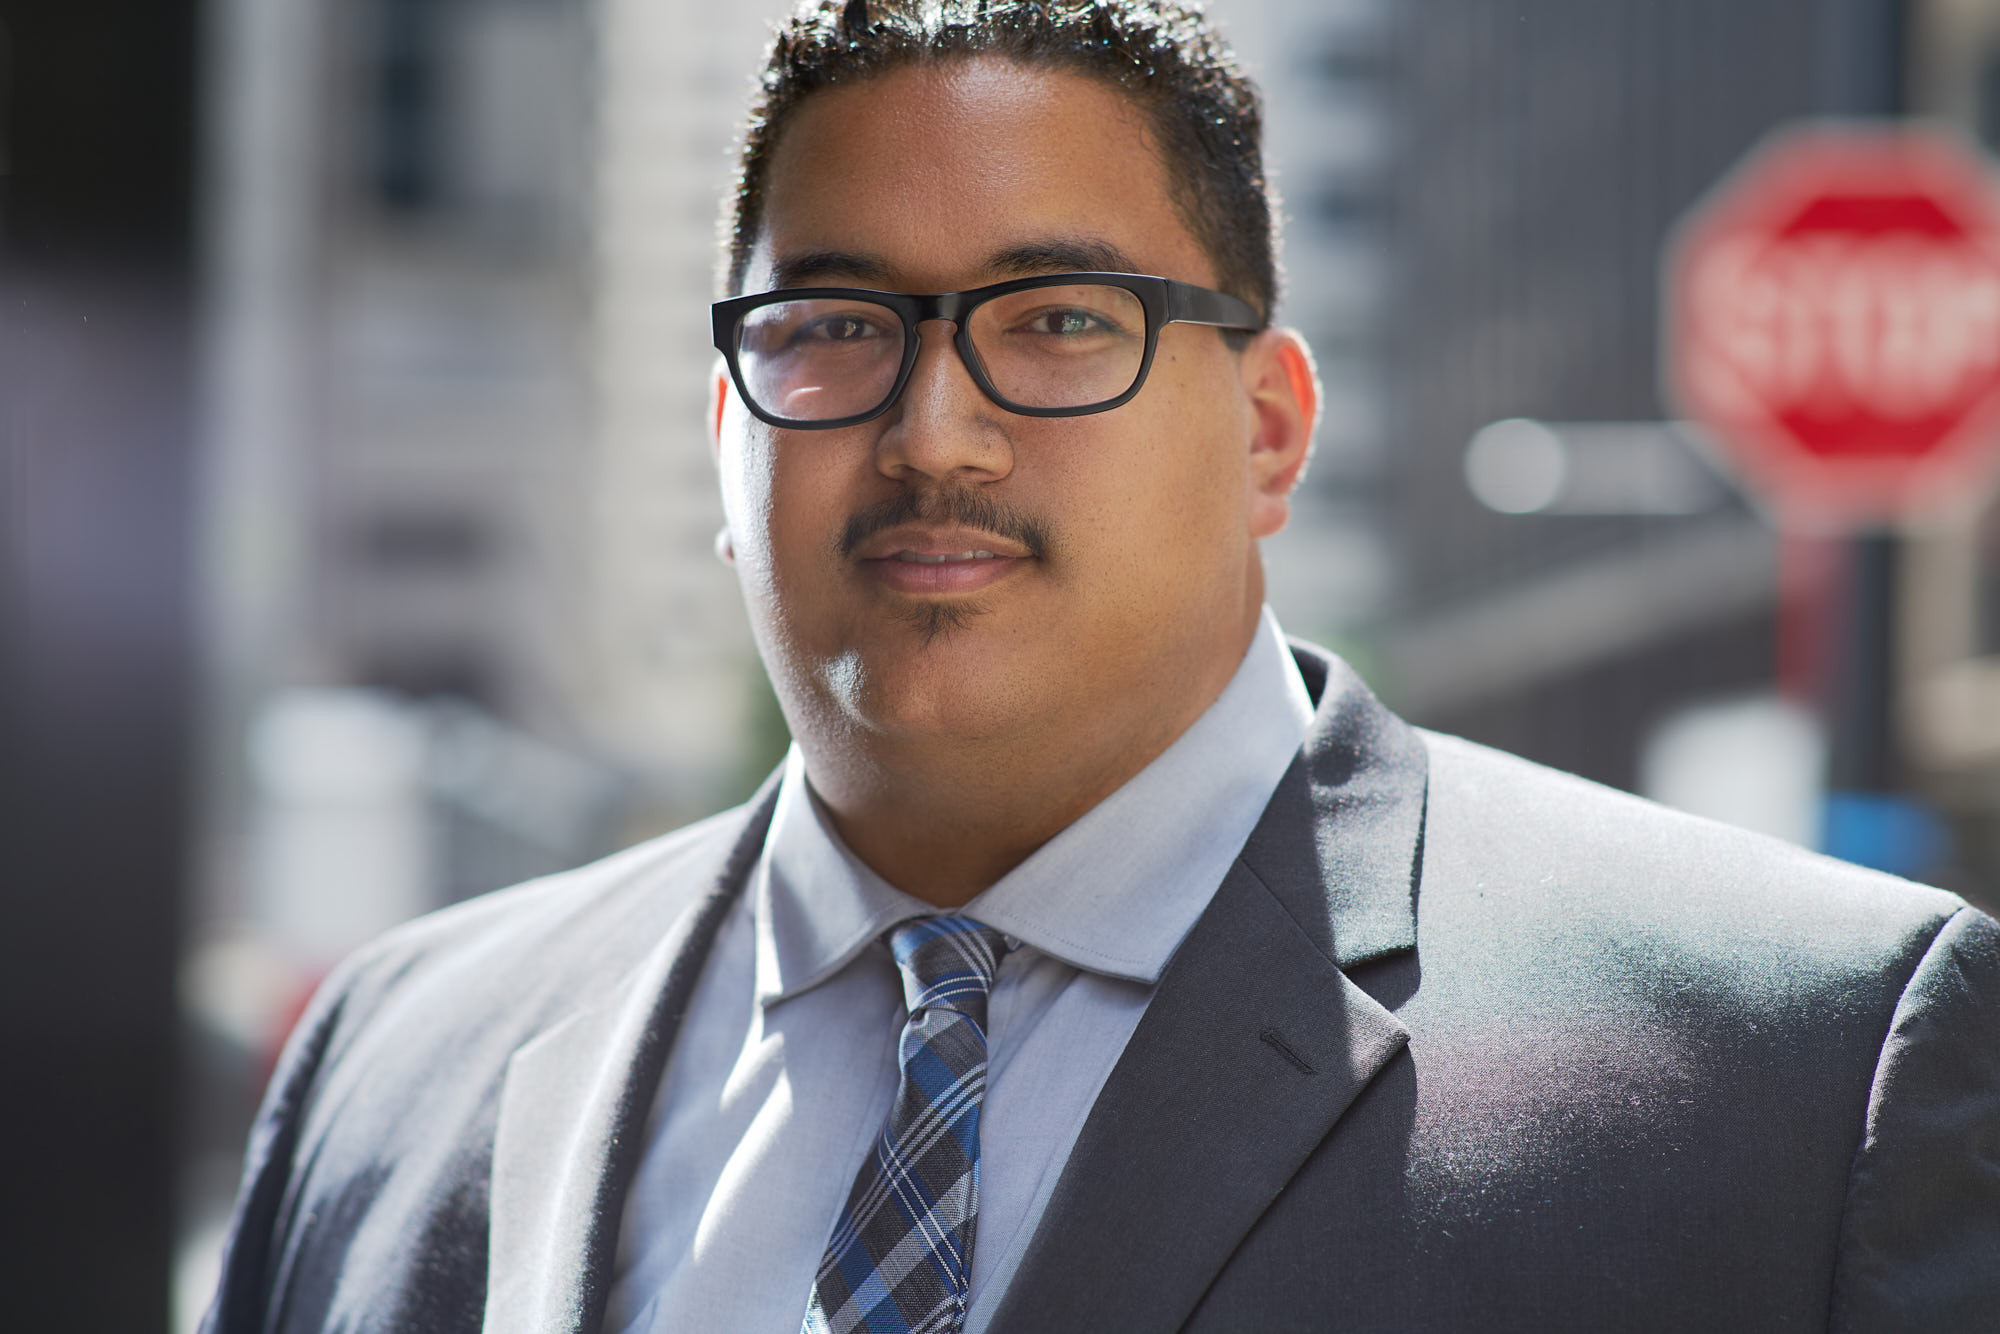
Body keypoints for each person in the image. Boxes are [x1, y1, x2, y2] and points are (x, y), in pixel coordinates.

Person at [202, 2, 2000, 1331]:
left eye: (1061, 321)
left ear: (1271, 431)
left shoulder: (1803, 1077)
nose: (937, 431)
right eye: (832, 329)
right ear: (724, 433)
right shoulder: (397, 1057)